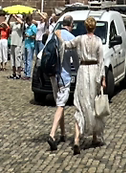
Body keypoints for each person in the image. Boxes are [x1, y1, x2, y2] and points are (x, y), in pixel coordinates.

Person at [67, 15, 107, 154]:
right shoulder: (98, 41)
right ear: (94, 27)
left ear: (85, 27)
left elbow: (67, 45)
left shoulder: (80, 39)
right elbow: (101, 61)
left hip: (83, 71)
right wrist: (103, 78)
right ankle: (95, 137)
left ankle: (77, 139)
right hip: (94, 71)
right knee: (94, 104)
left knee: (80, 105)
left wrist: (59, 36)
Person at [45, 14, 77, 152]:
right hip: (64, 75)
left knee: (60, 103)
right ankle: (52, 134)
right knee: (60, 105)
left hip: (53, 75)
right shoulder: (71, 38)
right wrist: (79, 71)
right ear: (71, 25)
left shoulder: (53, 34)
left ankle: (63, 133)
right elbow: (75, 59)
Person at [23, 15, 38, 79]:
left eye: (28, 21)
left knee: (29, 60)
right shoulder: (27, 27)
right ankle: (25, 73)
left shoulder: (33, 27)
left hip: (31, 45)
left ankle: (28, 74)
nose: (27, 23)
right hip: (26, 44)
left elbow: (35, 36)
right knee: (25, 60)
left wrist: (29, 36)